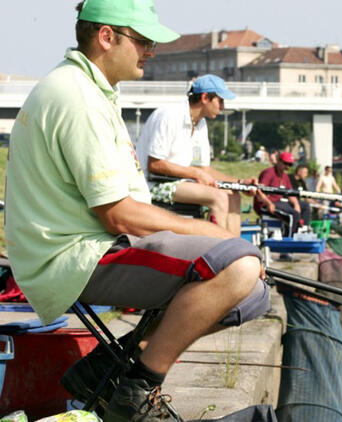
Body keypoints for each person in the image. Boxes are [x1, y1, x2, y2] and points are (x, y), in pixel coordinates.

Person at [5, 2, 269, 420]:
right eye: (143, 41)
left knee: (253, 295)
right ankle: (137, 389)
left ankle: (106, 370)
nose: (151, 50)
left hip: (99, 244)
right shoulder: (76, 97)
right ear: (107, 37)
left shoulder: (93, 89)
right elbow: (119, 215)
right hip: (75, 256)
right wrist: (210, 234)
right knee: (238, 267)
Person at [136, 74, 252, 237]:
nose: (223, 107)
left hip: (179, 183)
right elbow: (154, 165)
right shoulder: (170, 115)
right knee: (219, 197)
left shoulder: (200, 123)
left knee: (233, 195)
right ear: (205, 97)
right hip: (152, 185)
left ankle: (236, 252)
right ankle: (222, 255)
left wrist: (239, 183)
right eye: (220, 101)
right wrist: (195, 173)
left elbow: (204, 168)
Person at [254, 152, 310, 236]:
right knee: (294, 214)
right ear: (279, 161)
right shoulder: (269, 173)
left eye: (290, 165)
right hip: (266, 204)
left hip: (280, 202)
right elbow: (259, 191)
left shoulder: (285, 176)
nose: (287, 167)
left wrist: (296, 204)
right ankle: (290, 239)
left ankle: (303, 231)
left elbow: (290, 193)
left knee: (305, 205)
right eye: (286, 163)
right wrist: (268, 203)